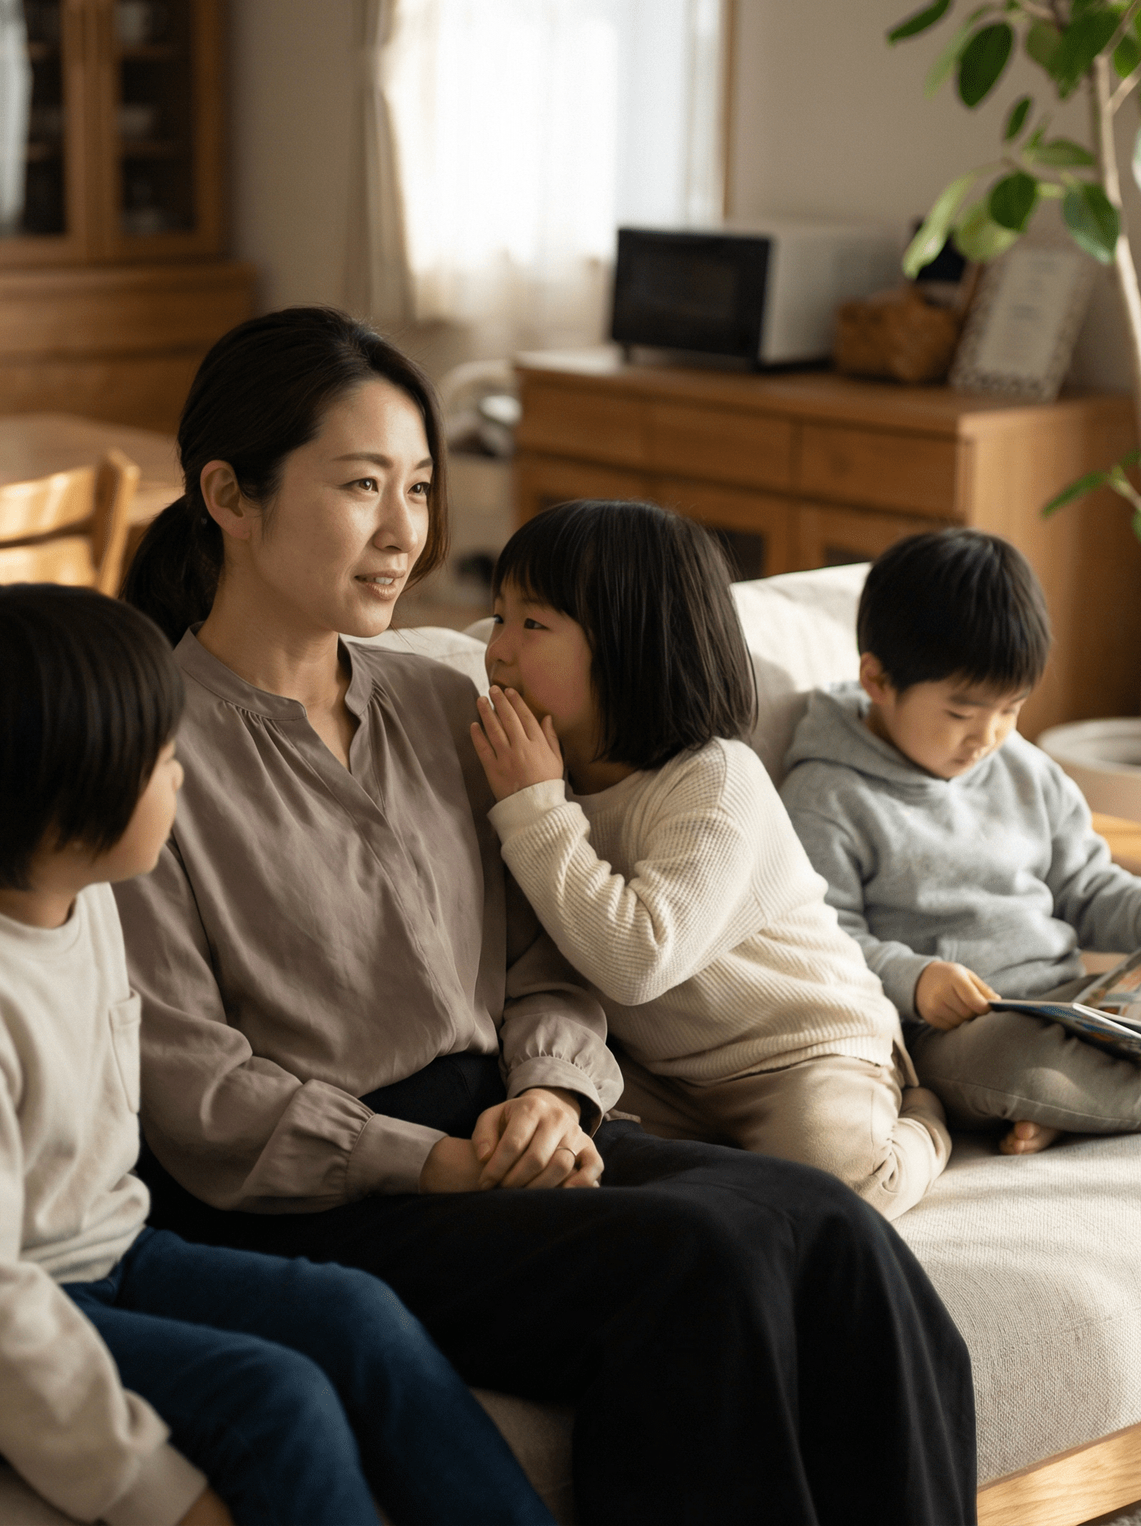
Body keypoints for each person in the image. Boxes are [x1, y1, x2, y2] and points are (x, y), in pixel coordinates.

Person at [115, 307, 978, 1526]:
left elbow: (540, 951)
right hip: (330, 1196)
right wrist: (437, 1160)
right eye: (362, 485)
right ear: (229, 494)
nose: (406, 531)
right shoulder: (140, 746)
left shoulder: (443, 697)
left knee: (835, 1230)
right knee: (701, 1264)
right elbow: (192, 1085)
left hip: (514, 1128)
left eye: (419, 486)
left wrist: (556, 1089)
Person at [0, 584, 554, 1526]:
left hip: (96, 1252)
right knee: (274, 1397)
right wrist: (157, 1493)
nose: (183, 779)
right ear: (67, 807)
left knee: (360, 1317)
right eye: (164, 760)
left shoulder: (77, 895)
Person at [466, 499, 949, 1219]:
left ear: (637, 648)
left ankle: (926, 1118)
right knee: (577, 1149)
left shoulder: (716, 779)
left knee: (832, 1186)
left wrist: (535, 809)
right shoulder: (534, 780)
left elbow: (637, 959)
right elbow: (544, 960)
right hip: (666, 1072)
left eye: (532, 624)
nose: (497, 649)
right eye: (497, 616)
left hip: (803, 1049)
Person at [779, 529, 1141, 1157]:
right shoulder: (827, 795)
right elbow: (820, 940)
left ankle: (1079, 1106)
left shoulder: (1023, 768)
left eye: (1010, 709)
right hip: (956, 1034)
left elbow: (1086, 885)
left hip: (1080, 1004)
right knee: (1017, 1066)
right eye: (961, 713)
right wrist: (916, 978)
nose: (986, 736)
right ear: (877, 680)